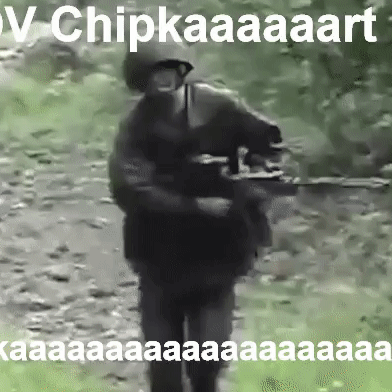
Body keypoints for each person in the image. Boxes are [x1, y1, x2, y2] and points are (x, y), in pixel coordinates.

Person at [108, 39, 283, 392]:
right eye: (154, 75)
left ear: (181, 71)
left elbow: (268, 142)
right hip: (159, 254)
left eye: (168, 71)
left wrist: (255, 173)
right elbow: (130, 187)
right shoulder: (135, 127)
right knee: (164, 367)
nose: (163, 81)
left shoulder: (218, 105)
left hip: (218, 252)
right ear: (140, 81)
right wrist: (192, 204)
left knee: (208, 358)